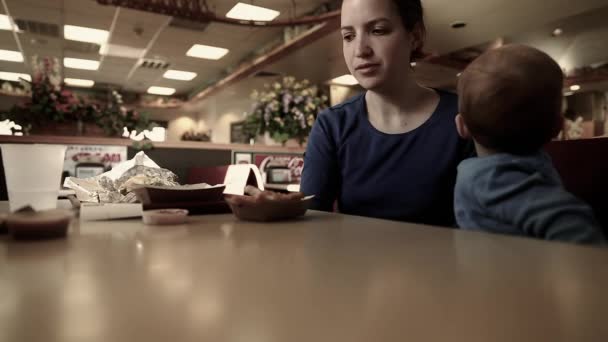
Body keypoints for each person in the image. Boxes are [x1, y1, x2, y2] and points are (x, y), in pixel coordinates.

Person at [301, 0, 472, 225]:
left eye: (378, 30)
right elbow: (311, 220)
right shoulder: (332, 125)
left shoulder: (465, 117)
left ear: (415, 36)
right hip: (354, 260)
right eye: (348, 36)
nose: (360, 50)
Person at [454, 44, 604, 244]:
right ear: (557, 127)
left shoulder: (489, 177)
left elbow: (569, 223)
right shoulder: (493, 180)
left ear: (462, 126)